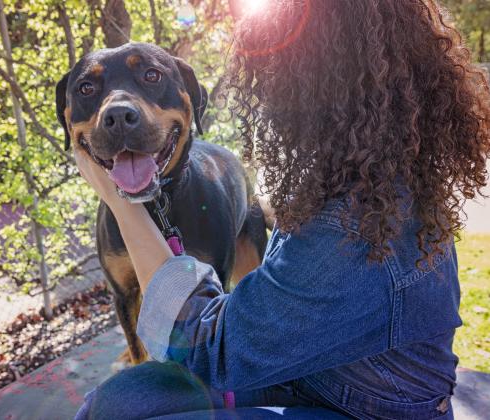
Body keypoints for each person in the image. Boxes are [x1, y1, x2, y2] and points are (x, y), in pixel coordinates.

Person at [74, 0, 490, 418]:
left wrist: (119, 201)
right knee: (118, 399)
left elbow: (209, 350)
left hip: (371, 408)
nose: (266, 89)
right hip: (321, 374)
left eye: (275, 73)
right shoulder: (370, 169)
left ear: (316, 82)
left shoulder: (358, 226)